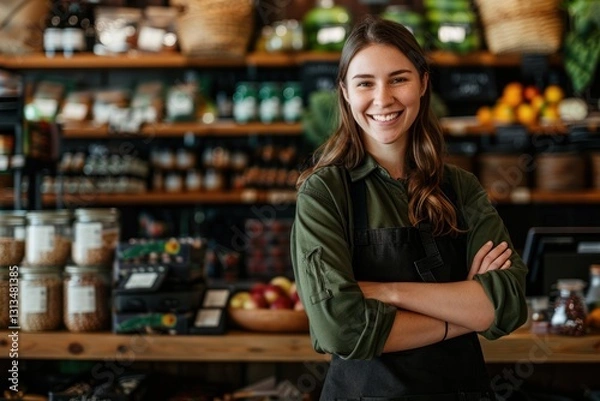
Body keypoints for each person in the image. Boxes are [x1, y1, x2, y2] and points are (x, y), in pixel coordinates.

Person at [291, 15, 528, 401]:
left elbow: (506, 305)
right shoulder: (325, 194)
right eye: (365, 83)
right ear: (346, 93)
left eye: (398, 78)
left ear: (422, 82)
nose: (383, 99)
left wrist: (388, 292)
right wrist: (462, 316)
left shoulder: (461, 187)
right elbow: (342, 329)